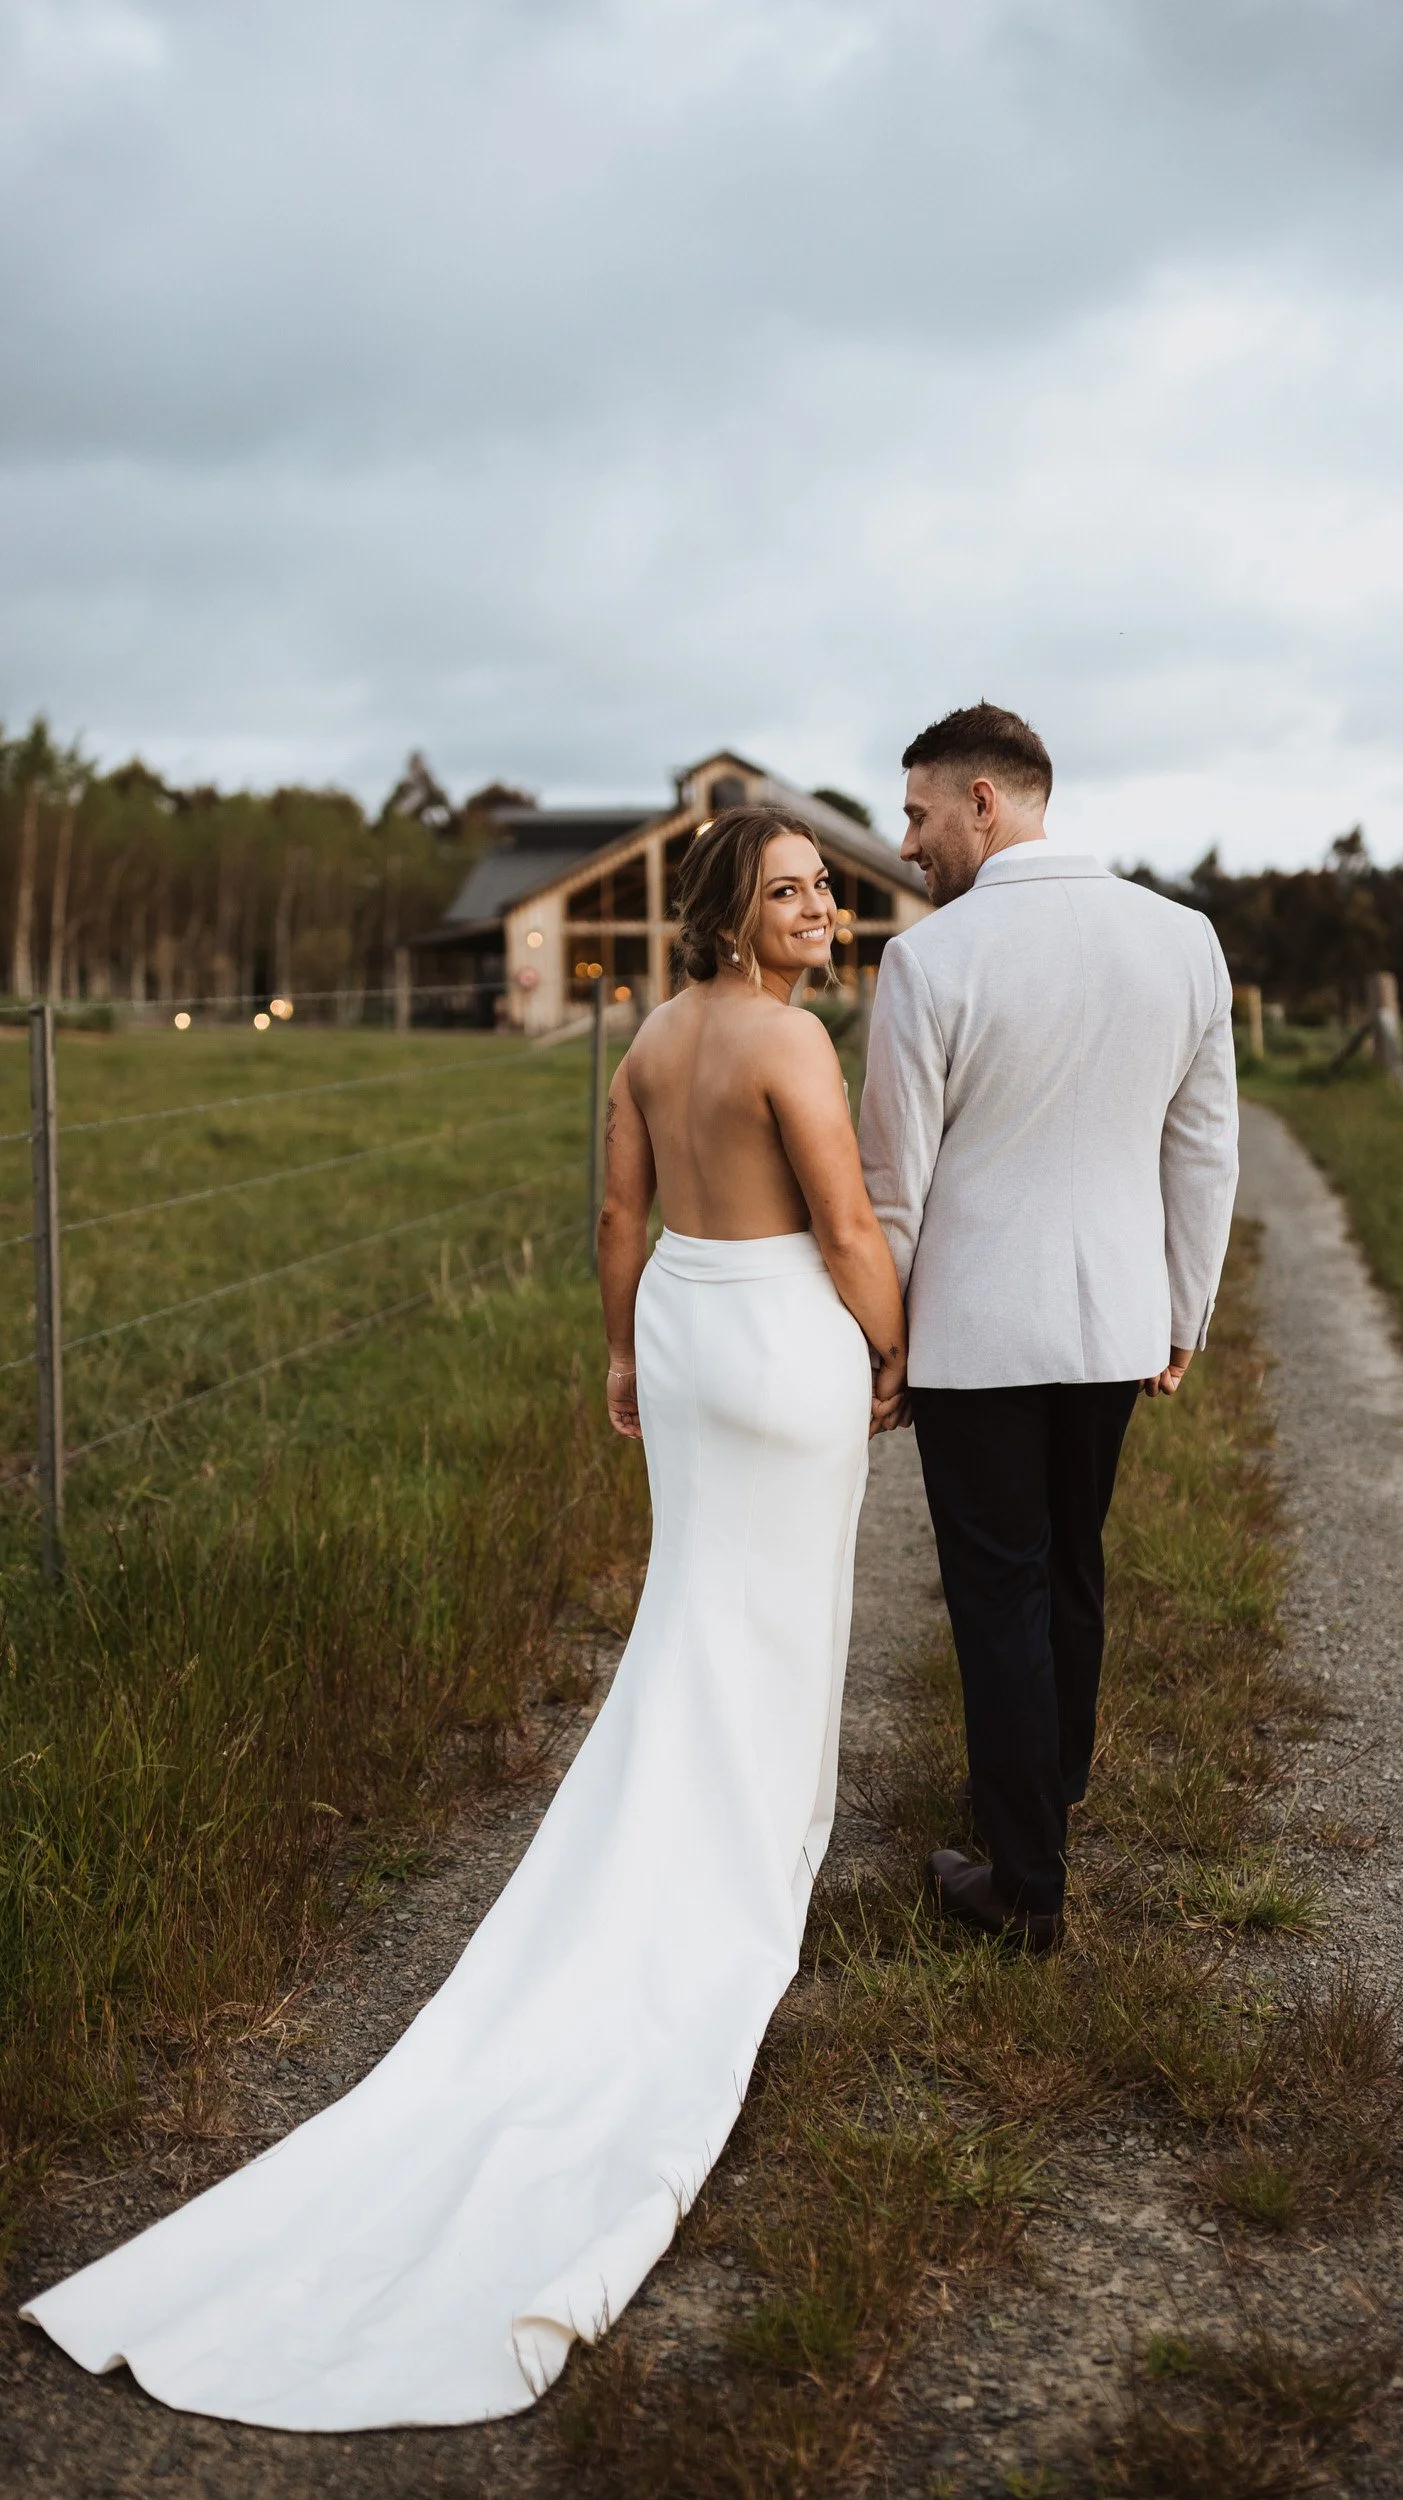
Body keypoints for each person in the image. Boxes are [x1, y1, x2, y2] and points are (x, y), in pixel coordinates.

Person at [22, 809, 906, 2432]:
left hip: (686, 1333)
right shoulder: (789, 1045)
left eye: (826, 892)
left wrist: (621, 1352)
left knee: (693, 1617)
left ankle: (674, 1847)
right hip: (780, 1339)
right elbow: (847, 1231)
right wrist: (895, 1347)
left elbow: (616, 1222)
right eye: (790, 892)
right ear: (731, 913)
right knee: (773, 1630)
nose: (823, 912)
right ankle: (731, 1882)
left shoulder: (650, 1039)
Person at [859, 704, 1239, 1953]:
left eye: (917, 813)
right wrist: (1180, 1310)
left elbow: (894, 1186)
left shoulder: (928, 962)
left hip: (974, 1335)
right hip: (1114, 1323)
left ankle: (1024, 1885)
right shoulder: (1182, 940)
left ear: (982, 802)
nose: (905, 842)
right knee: (1071, 1563)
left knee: (999, 1592)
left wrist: (883, 1344)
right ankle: (1048, 1794)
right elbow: (1203, 1148)